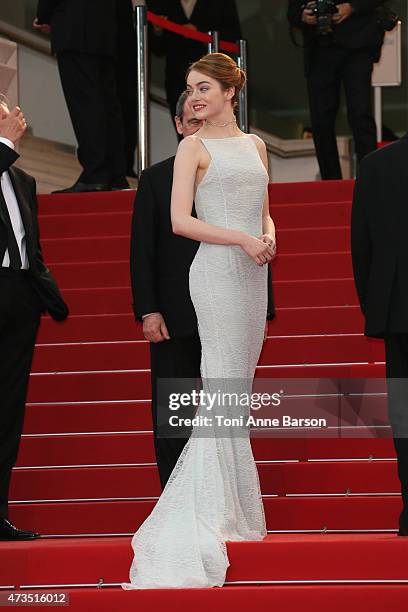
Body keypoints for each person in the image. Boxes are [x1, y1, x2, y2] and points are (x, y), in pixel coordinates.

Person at [122, 52, 276, 589]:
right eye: (190, 89)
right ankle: (215, 512)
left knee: (236, 391)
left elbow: (263, 206)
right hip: (215, 275)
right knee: (221, 389)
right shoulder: (193, 146)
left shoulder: (255, 145)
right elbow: (180, 221)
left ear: (231, 91)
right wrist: (239, 238)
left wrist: (268, 234)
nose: (194, 97)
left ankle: (234, 508)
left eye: (204, 86)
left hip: (252, 279)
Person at [0, 98, 69, 541]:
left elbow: (30, 243)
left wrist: (42, 290)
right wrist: (6, 139)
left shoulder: (22, 179)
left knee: (8, 412)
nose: (12, 115)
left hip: (19, 298)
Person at [350, 134, 408, 537]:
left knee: (405, 417)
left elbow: (361, 248)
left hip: (397, 308)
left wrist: (375, 306)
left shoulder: (375, 165)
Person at [34, 0, 129, 192]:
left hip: (75, 28)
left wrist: (44, 15)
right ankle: (116, 175)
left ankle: (96, 174)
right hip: (105, 32)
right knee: (108, 104)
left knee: (86, 105)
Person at [287, 0, 387, 179]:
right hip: (319, 47)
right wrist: (302, 14)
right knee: (320, 119)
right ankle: (330, 181)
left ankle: (370, 179)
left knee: (360, 113)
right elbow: (293, 10)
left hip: (358, 43)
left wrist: (352, 6)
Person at [147, 0, 242, 139]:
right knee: (186, 136)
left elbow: (233, 36)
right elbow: (158, 49)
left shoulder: (221, 3)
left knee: (218, 136)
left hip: (214, 79)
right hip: (177, 81)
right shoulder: (164, 4)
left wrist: (200, 33)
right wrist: (157, 30)